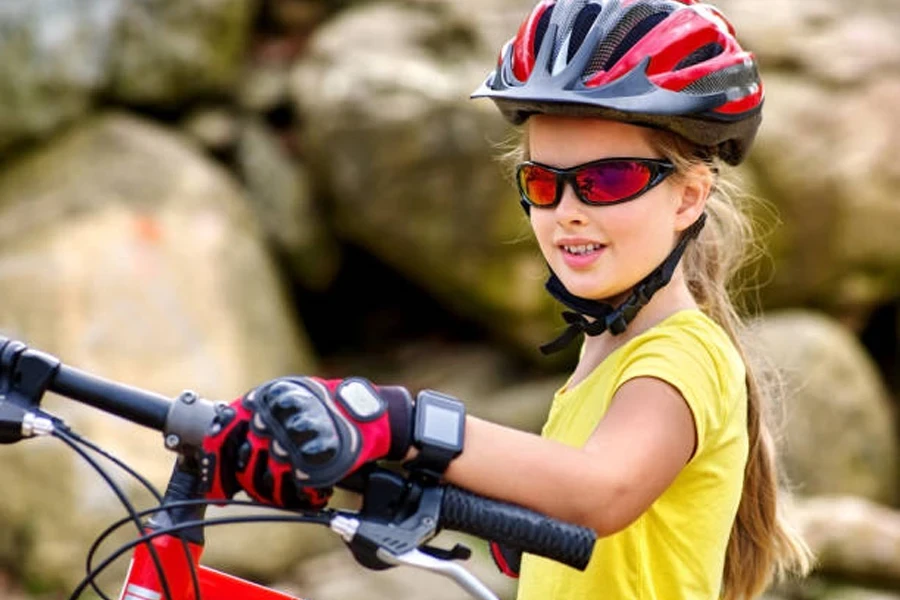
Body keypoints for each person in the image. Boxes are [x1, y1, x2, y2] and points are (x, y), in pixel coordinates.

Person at [202, 0, 813, 598]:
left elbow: (601, 490)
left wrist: (397, 422)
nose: (568, 213)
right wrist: (349, 462)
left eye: (607, 181)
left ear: (687, 197)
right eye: (545, 182)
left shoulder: (684, 353)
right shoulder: (604, 352)